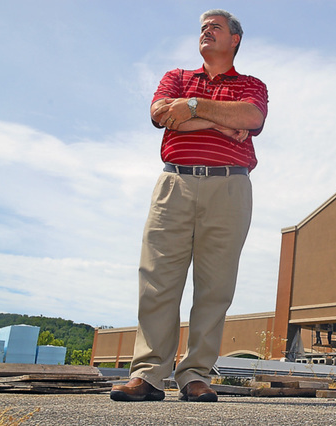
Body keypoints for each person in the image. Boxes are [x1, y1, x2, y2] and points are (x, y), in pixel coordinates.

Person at [110, 9, 268, 403]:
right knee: (158, 278)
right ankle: (148, 375)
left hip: (230, 187)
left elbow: (251, 116)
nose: (205, 32)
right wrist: (219, 121)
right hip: (174, 182)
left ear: (235, 39)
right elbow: (161, 114)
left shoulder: (251, 84)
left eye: (215, 27)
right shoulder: (176, 77)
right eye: (202, 28)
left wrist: (193, 109)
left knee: (215, 286)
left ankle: (196, 375)